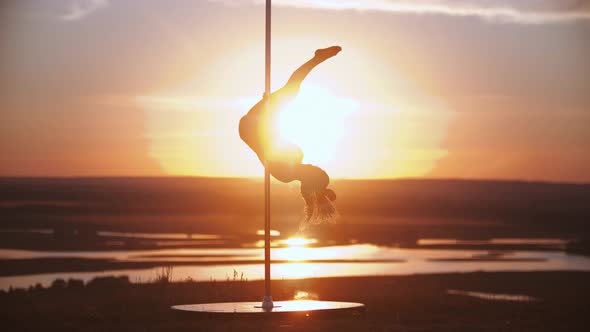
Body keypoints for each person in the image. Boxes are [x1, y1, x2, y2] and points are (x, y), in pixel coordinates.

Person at [239, 46, 342, 227]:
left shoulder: (285, 172)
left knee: (292, 90)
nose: (313, 165)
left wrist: (268, 109)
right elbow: (277, 134)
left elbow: (267, 142)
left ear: (310, 176)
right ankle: (317, 59)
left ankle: (317, 58)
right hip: (262, 123)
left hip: (252, 127)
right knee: (292, 91)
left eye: (315, 169)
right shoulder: (297, 160)